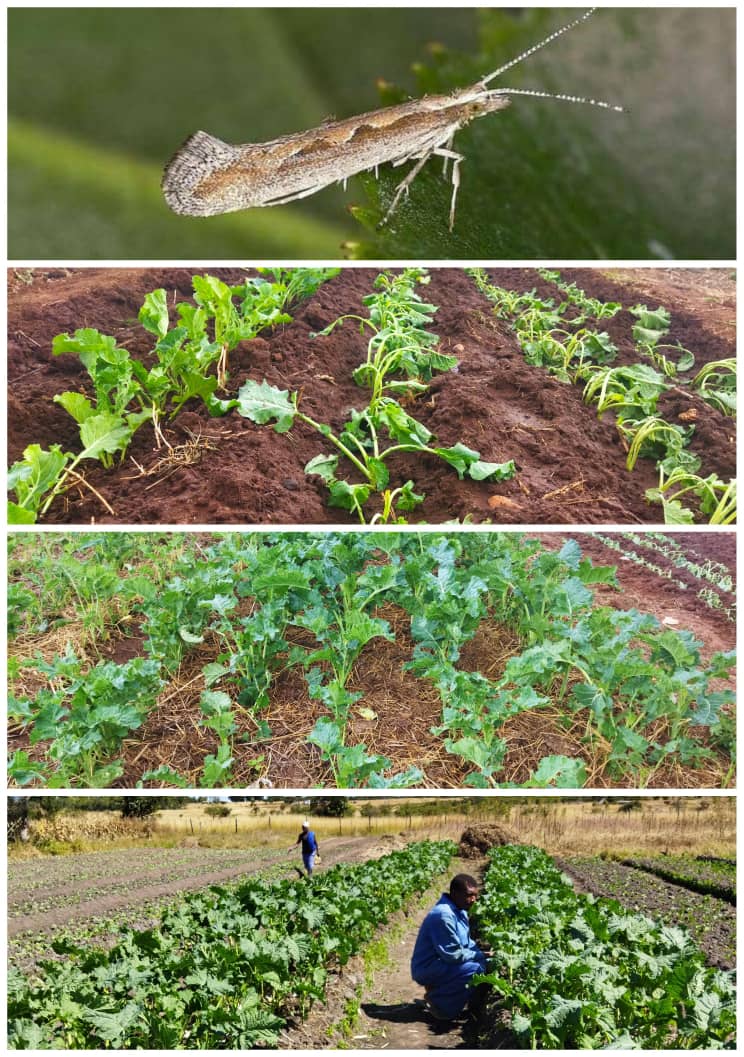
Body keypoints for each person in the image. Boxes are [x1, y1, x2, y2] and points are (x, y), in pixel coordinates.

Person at [410, 873, 489, 1021]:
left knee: (483, 964)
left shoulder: (459, 910)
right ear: (454, 893)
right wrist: (480, 955)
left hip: (440, 963)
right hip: (427, 968)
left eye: (475, 895)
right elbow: (453, 955)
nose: (473, 900)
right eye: (469, 895)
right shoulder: (443, 915)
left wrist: (482, 953)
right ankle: (439, 1005)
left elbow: (467, 943)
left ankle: (449, 996)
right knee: (475, 970)